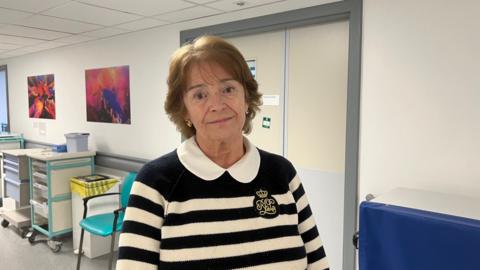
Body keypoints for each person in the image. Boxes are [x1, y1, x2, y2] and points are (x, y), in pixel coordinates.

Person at [116, 35, 329, 270]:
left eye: (228, 89)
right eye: (200, 95)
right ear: (184, 110)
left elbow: (317, 264)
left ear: (246, 99)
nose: (217, 104)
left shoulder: (282, 173)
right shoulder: (155, 182)